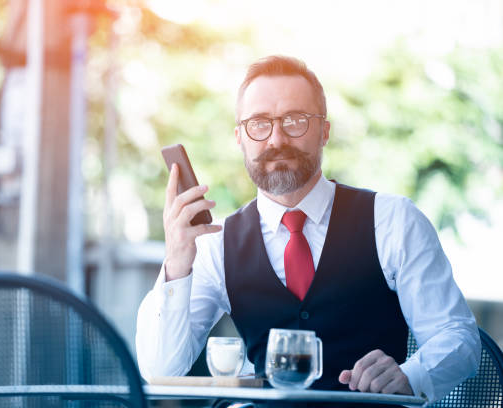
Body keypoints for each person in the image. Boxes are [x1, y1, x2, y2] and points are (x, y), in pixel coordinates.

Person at [135, 55, 480, 405]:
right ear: (239, 137)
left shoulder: (393, 221)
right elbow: (160, 369)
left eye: (295, 120)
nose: (276, 139)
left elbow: (458, 338)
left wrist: (410, 375)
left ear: (325, 132)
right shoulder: (216, 244)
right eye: (259, 123)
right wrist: (177, 263)